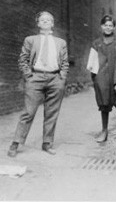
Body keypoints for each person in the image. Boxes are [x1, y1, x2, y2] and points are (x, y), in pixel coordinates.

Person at [7, 11, 69, 157]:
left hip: (55, 78)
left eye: (49, 20)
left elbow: (65, 63)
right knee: (28, 112)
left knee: (51, 113)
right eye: (42, 20)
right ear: (38, 24)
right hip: (36, 77)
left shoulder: (60, 42)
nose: (46, 21)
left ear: (53, 23)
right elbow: (23, 60)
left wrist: (62, 78)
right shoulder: (30, 40)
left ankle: (47, 143)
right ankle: (16, 143)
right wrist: (29, 76)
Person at [89, 15, 116, 143]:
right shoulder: (96, 43)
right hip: (101, 78)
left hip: (115, 76)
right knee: (104, 104)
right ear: (102, 26)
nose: (108, 28)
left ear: (114, 27)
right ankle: (104, 130)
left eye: (111, 26)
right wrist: (95, 79)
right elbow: (92, 64)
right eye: (106, 25)